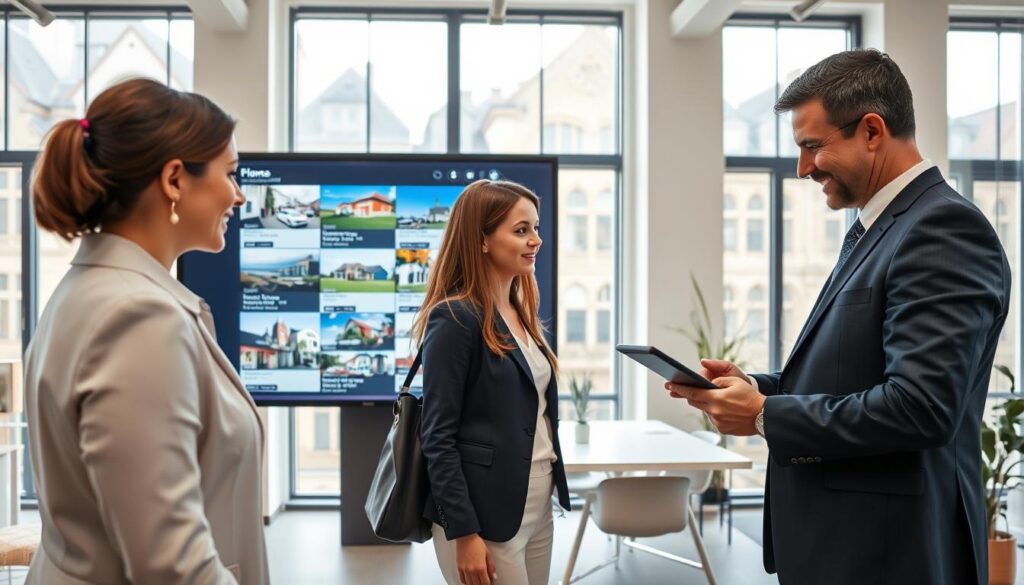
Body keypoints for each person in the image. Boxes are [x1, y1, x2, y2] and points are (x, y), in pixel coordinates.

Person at [667, 49, 1010, 585]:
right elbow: (854, 375)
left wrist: (764, 416)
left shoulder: (941, 229)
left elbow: (920, 407)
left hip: (889, 555)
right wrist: (757, 389)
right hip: (848, 547)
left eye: (811, 146)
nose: (803, 169)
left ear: (872, 130)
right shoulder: (880, 228)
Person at [24, 78, 269, 584]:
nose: (239, 195)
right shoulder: (137, 318)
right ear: (175, 180)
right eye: (230, 173)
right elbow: (170, 564)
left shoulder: (91, 290)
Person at [415, 180, 571, 585]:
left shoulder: (522, 311)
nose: (535, 240)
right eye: (521, 231)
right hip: (482, 515)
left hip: (536, 505)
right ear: (482, 240)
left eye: (535, 228)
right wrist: (463, 532)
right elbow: (438, 435)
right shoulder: (454, 317)